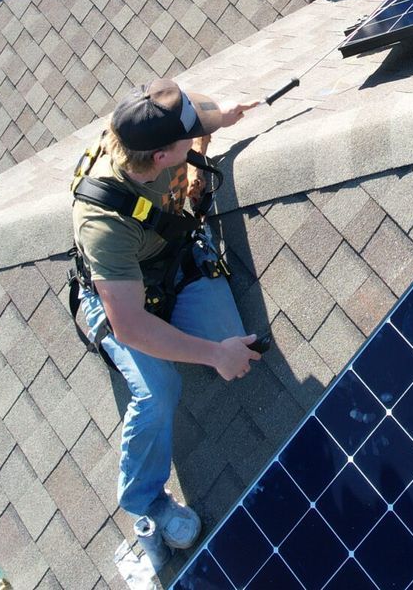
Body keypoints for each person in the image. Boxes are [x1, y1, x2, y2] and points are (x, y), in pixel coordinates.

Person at [71, 79, 261, 588]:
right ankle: (144, 501)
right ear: (159, 156)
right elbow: (130, 324)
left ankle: (200, 339)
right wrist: (213, 355)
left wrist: (224, 115)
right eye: (187, 141)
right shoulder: (102, 220)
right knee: (160, 389)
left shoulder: (144, 129)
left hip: (173, 262)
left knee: (235, 345)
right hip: (123, 301)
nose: (194, 140)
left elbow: (189, 114)